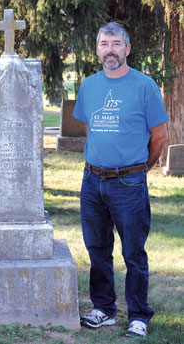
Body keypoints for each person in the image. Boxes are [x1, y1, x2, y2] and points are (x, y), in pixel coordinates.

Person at [73, 22, 169, 337]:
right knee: (97, 247)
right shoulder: (88, 85)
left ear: (127, 49)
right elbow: (90, 128)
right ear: (97, 49)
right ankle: (103, 309)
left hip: (129, 183)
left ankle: (138, 315)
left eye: (116, 44)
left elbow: (160, 136)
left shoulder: (144, 86)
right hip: (92, 182)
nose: (110, 50)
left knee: (133, 252)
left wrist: (140, 167)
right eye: (104, 44)